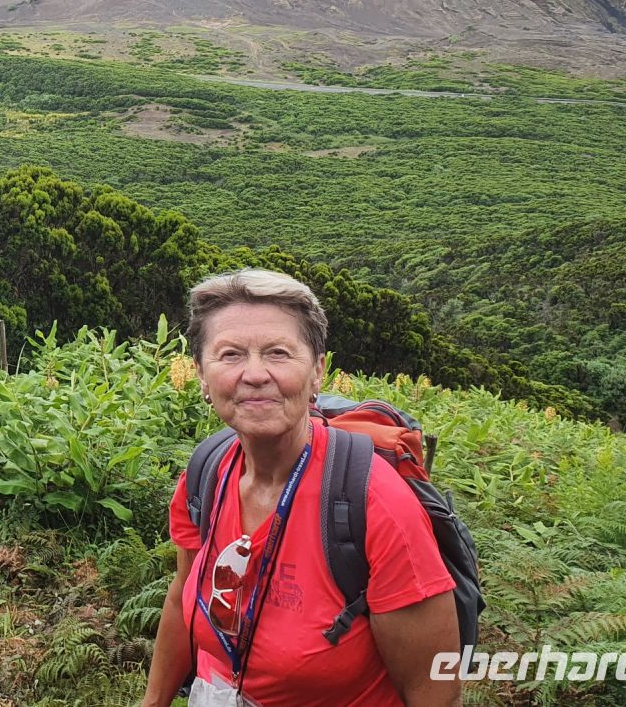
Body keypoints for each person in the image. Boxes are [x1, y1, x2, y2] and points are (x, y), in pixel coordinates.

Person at [140, 269, 460, 706]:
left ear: (317, 373)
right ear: (200, 375)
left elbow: (434, 692)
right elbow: (182, 599)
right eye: (230, 354)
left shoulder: (373, 504)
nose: (254, 374)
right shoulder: (205, 474)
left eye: (278, 353)